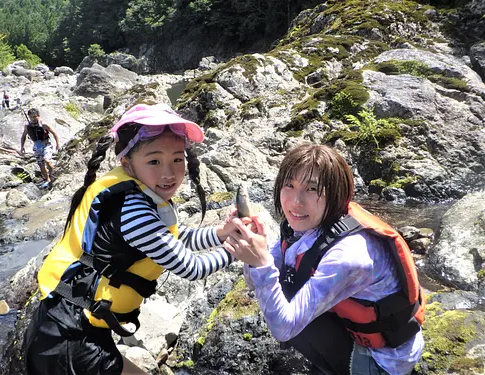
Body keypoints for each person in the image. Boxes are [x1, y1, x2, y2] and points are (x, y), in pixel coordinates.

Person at [23, 103, 240, 375]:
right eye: (154, 161)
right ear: (127, 162)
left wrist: (222, 233)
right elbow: (190, 268)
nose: (169, 173)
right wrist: (238, 250)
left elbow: (176, 237)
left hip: (65, 323)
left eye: (177, 159)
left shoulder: (138, 195)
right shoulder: (135, 210)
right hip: (69, 338)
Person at [225, 143, 425, 375]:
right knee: (287, 290)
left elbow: (283, 328)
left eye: (312, 189)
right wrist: (253, 253)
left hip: (382, 361)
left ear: (336, 195)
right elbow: (256, 282)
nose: (296, 201)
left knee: (290, 312)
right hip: (351, 331)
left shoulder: (349, 255)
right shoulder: (304, 226)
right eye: (289, 185)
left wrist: (260, 263)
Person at [20, 108, 60, 188]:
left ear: (38, 116)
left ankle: (55, 176)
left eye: (35, 117)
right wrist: (22, 147)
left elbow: (54, 133)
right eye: (31, 117)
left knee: (47, 160)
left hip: (46, 145)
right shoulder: (27, 126)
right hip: (37, 147)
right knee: (41, 165)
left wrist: (57, 144)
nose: (33, 119)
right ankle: (48, 180)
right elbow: (23, 136)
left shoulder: (43, 124)